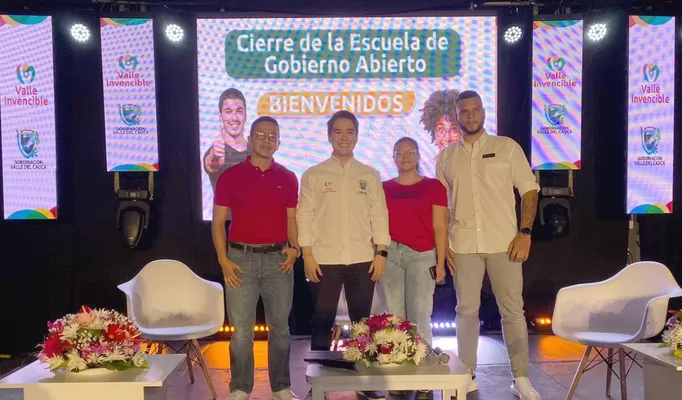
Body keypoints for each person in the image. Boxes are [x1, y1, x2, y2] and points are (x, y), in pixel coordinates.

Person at [436, 90, 541, 400]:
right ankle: (467, 374)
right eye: (464, 111)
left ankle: (520, 378)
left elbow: (529, 190)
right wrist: (445, 247)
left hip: (504, 242)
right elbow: (441, 208)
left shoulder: (506, 147)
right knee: (466, 311)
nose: (470, 115)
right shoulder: (446, 157)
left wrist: (525, 232)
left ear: (483, 112)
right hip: (463, 243)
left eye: (475, 110)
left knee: (513, 311)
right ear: (457, 116)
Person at [297, 110, 390, 400]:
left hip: (363, 258)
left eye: (350, 131)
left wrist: (381, 252)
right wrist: (308, 255)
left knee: (362, 322)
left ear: (357, 136)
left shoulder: (369, 175)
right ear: (329, 136)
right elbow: (304, 216)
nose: (344, 137)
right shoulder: (313, 174)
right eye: (338, 131)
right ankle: (318, 383)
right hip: (324, 259)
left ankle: (365, 380)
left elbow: (380, 215)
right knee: (322, 319)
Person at [211, 116, 300, 400]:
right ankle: (240, 387)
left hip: (278, 260)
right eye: (261, 134)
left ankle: (281, 387)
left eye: (272, 135)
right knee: (241, 332)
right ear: (250, 140)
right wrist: (224, 260)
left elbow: (292, 219)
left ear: (279, 142)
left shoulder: (287, 177)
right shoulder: (230, 176)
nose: (266, 139)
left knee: (281, 329)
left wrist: (295, 248)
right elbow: (217, 224)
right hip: (240, 259)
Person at [381, 137, 449, 399]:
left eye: (410, 152)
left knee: (420, 315)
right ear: (393, 157)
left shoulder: (433, 187)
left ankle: (423, 375)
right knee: (396, 317)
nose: (405, 156)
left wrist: (440, 262)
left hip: (422, 255)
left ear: (419, 155)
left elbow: (440, 226)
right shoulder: (383, 187)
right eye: (400, 152)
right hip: (391, 255)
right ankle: (400, 375)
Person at [204, 88, 251, 192]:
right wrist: (215, 155)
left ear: (245, 115)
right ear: (220, 116)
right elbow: (212, 164)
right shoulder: (216, 151)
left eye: (239, 111)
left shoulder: (257, 152)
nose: (234, 117)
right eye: (228, 112)